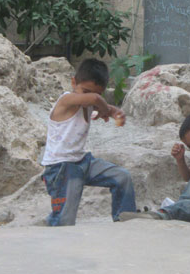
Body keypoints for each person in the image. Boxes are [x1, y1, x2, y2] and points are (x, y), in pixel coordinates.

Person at [41, 58, 137, 226]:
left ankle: (125, 220)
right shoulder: (66, 100)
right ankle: (52, 227)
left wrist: (116, 113)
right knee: (64, 220)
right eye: (84, 90)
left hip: (82, 162)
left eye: (97, 93)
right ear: (73, 82)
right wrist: (105, 108)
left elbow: (97, 103)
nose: (89, 96)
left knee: (122, 177)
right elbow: (93, 99)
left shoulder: (89, 103)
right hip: (61, 169)